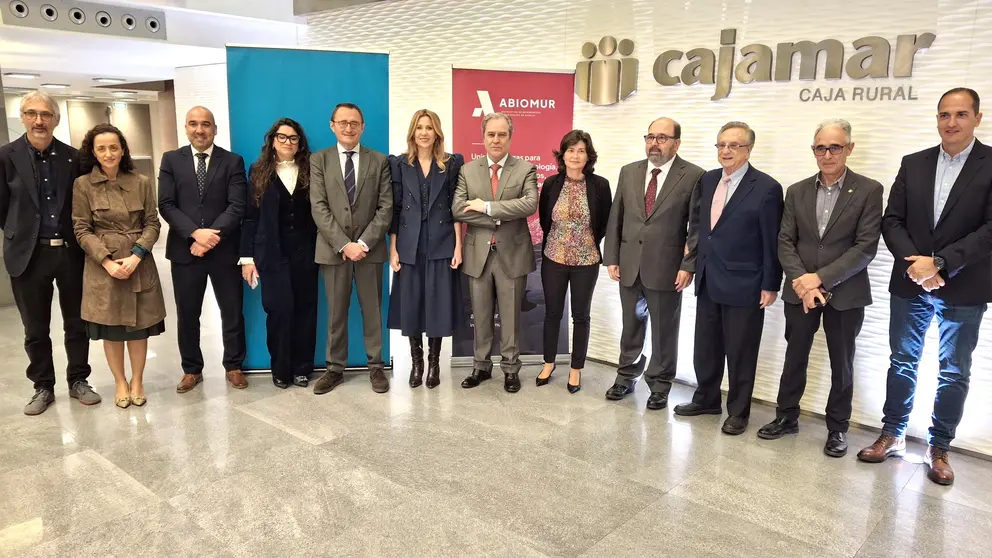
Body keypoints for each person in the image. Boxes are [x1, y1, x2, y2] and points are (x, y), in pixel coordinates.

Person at [858, 87, 992, 486]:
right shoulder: (913, 163)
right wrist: (919, 267)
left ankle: (939, 447)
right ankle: (893, 433)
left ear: (977, 119)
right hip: (911, 282)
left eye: (961, 115)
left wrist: (943, 263)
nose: (951, 122)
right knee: (902, 360)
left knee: (954, 371)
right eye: (944, 115)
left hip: (964, 285)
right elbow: (891, 221)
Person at [758, 119, 883, 457]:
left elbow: (865, 246)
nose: (827, 154)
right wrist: (803, 282)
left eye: (835, 147)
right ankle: (786, 417)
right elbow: (785, 240)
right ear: (813, 150)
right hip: (800, 291)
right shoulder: (796, 190)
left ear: (849, 149)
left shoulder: (870, 190)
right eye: (820, 148)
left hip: (846, 292)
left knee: (841, 362)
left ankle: (837, 429)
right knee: (794, 356)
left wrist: (821, 279)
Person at [673, 121, 783, 435]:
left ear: (748, 149)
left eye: (734, 145)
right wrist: (690, 264)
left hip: (745, 283)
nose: (726, 151)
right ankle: (706, 398)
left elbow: (771, 239)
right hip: (709, 278)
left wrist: (770, 284)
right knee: (705, 347)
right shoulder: (707, 180)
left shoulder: (766, 187)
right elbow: (698, 228)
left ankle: (738, 411)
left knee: (740, 351)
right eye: (722, 144)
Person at [0, 90, 97, 415]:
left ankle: (78, 380)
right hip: (29, 255)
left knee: (76, 322)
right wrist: (21, 234)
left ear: (55, 119)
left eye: (45, 114)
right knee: (35, 328)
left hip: (69, 253)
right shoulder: (6, 156)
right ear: (23, 117)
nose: (38, 120)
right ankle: (43, 386)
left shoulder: (73, 158)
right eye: (31, 113)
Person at [601, 117, 705, 409]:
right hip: (629, 263)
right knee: (630, 325)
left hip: (668, 267)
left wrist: (688, 265)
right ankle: (625, 378)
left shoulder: (694, 175)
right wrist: (612, 257)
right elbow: (616, 216)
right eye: (650, 137)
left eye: (661, 138)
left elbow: (697, 227)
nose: (654, 143)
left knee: (664, 329)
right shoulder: (629, 171)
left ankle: (660, 385)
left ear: (676, 143)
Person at [72, 124, 167, 408]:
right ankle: (120, 382)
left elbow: (152, 222)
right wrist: (106, 260)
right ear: (93, 151)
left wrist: (138, 254)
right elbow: (81, 228)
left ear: (123, 149)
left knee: (138, 328)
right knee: (111, 330)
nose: (108, 153)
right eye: (101, 148)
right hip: (103, 269)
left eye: (114, 147)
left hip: (138, 262)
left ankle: (137, 380)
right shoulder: (82, 185)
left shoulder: (142, 181)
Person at [159, 106, 248, 393]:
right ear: (186, 128)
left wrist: (211, 237)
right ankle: (191, 369)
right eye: (193, 124)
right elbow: (166, 204)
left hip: (224, 251)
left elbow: (237, 205)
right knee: (187, 313)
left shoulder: (232, 161)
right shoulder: (171, 160)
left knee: (232, 311)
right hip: (186, 251)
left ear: (215, 129)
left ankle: (233, 365)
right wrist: (195, 234)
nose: (200, 130)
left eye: (206, 124)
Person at [310, 103, 393, 394]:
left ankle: (376, 368)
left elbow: (386, 207)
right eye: (343, 122)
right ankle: (334, 369)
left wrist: (363, 243)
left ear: (363, 127)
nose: (348, 127)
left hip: (370, 251)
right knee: (335, 313)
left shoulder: (379, 160)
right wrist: (344, 244)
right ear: (332, 125)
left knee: (372, 311)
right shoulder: (318, 160)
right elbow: (318, 207)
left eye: (354, 122)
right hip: (334, 251)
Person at [453, 112, 538, 393]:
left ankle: (511, 369)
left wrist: (487, 208)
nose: (496, 140)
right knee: (481, 314)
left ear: (510, 137)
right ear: (483, 137)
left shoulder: (525, 169)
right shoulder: (467, 170)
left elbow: (528, 205)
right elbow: (457, 210)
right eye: (491, 134)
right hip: (478, 254)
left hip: (511, 254)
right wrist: (500, 216)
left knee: (511, 317)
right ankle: (481, 366)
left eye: (502, 134)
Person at [387, 109, 464, 389]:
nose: (423, 132)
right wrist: (393, 248)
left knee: (438, 303)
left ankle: (434, 363)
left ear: (437, 133)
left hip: (441, 240)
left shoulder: (452, 163)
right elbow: (396, 208)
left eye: (429, 128)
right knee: (412, 303)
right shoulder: (399, 164)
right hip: (409, 243)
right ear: (412, 132)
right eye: (419, 127)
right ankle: (416, 362)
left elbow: (456, 207)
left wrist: (458, 245)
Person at [240, 118, 318, 389]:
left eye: (294, 138)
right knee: (278, 312)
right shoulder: (258, 171)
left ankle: (302, 367)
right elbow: (250, 218)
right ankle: (280, 369)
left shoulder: (311, 169)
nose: (288, 142)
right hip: (271, 254)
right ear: (273, 140)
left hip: (307, 253)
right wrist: (247, 258)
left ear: (300, 143)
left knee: (306, 311)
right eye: (282, 137)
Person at [537, 129, 612, 394]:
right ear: (563, 154)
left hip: (586, 260)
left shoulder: (600, 185)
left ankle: (576, 369)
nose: (575, 155)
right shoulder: (550, 184)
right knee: (552, 314)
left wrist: (584, 243)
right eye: (571, 150)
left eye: (581, 150)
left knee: (581, 316)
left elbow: (604, 223)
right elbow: (546, 220)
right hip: (554, 257)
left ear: (588, 155)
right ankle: (548, 363)